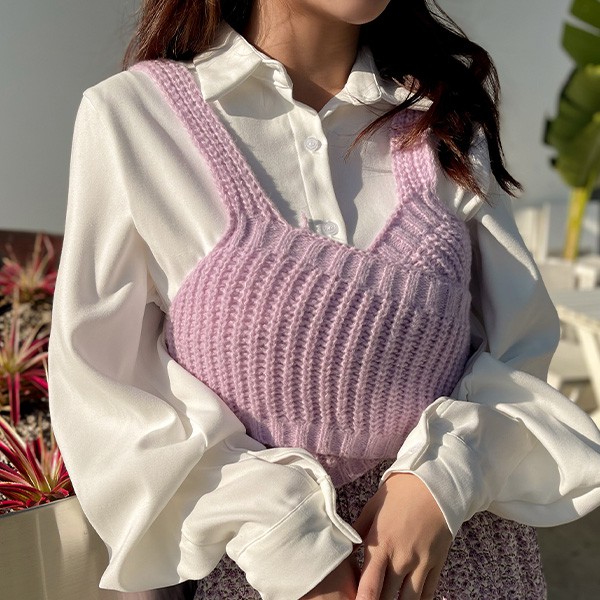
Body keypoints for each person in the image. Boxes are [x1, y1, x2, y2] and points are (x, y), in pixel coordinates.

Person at [47, 1, 600, 599]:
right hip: (268, 582)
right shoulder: (135, 117)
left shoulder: (440, 116)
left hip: (467, 564)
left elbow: (520, 351)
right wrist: (291, 546)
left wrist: (441, 479)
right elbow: (105, 392)